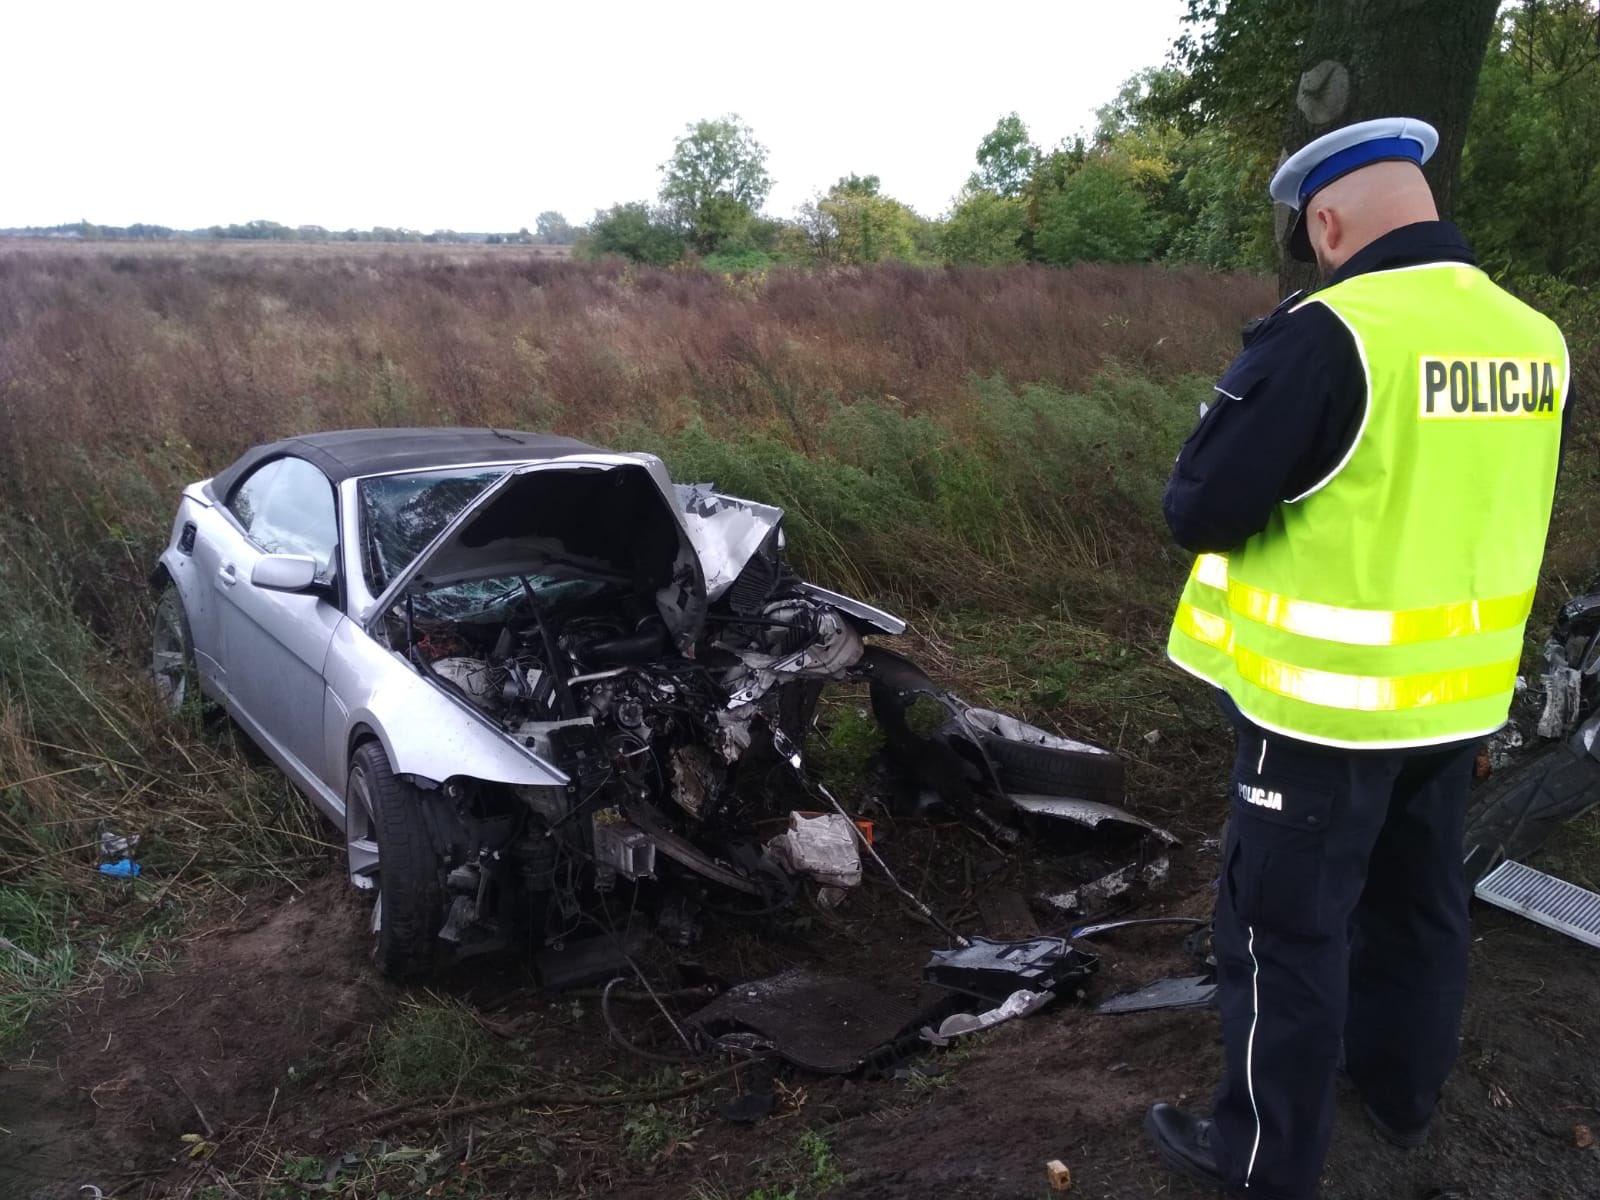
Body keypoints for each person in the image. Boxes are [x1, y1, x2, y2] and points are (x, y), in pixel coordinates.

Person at [1145, 117, 1576, 1199]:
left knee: (1282, 933)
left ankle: (1260, 1161)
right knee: (1420, 901)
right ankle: (1398, 1091)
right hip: (1458, 694)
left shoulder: (1329, 332)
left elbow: (1199, 506)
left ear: (1325, 221)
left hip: (1321, 713)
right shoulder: (1534, 336)